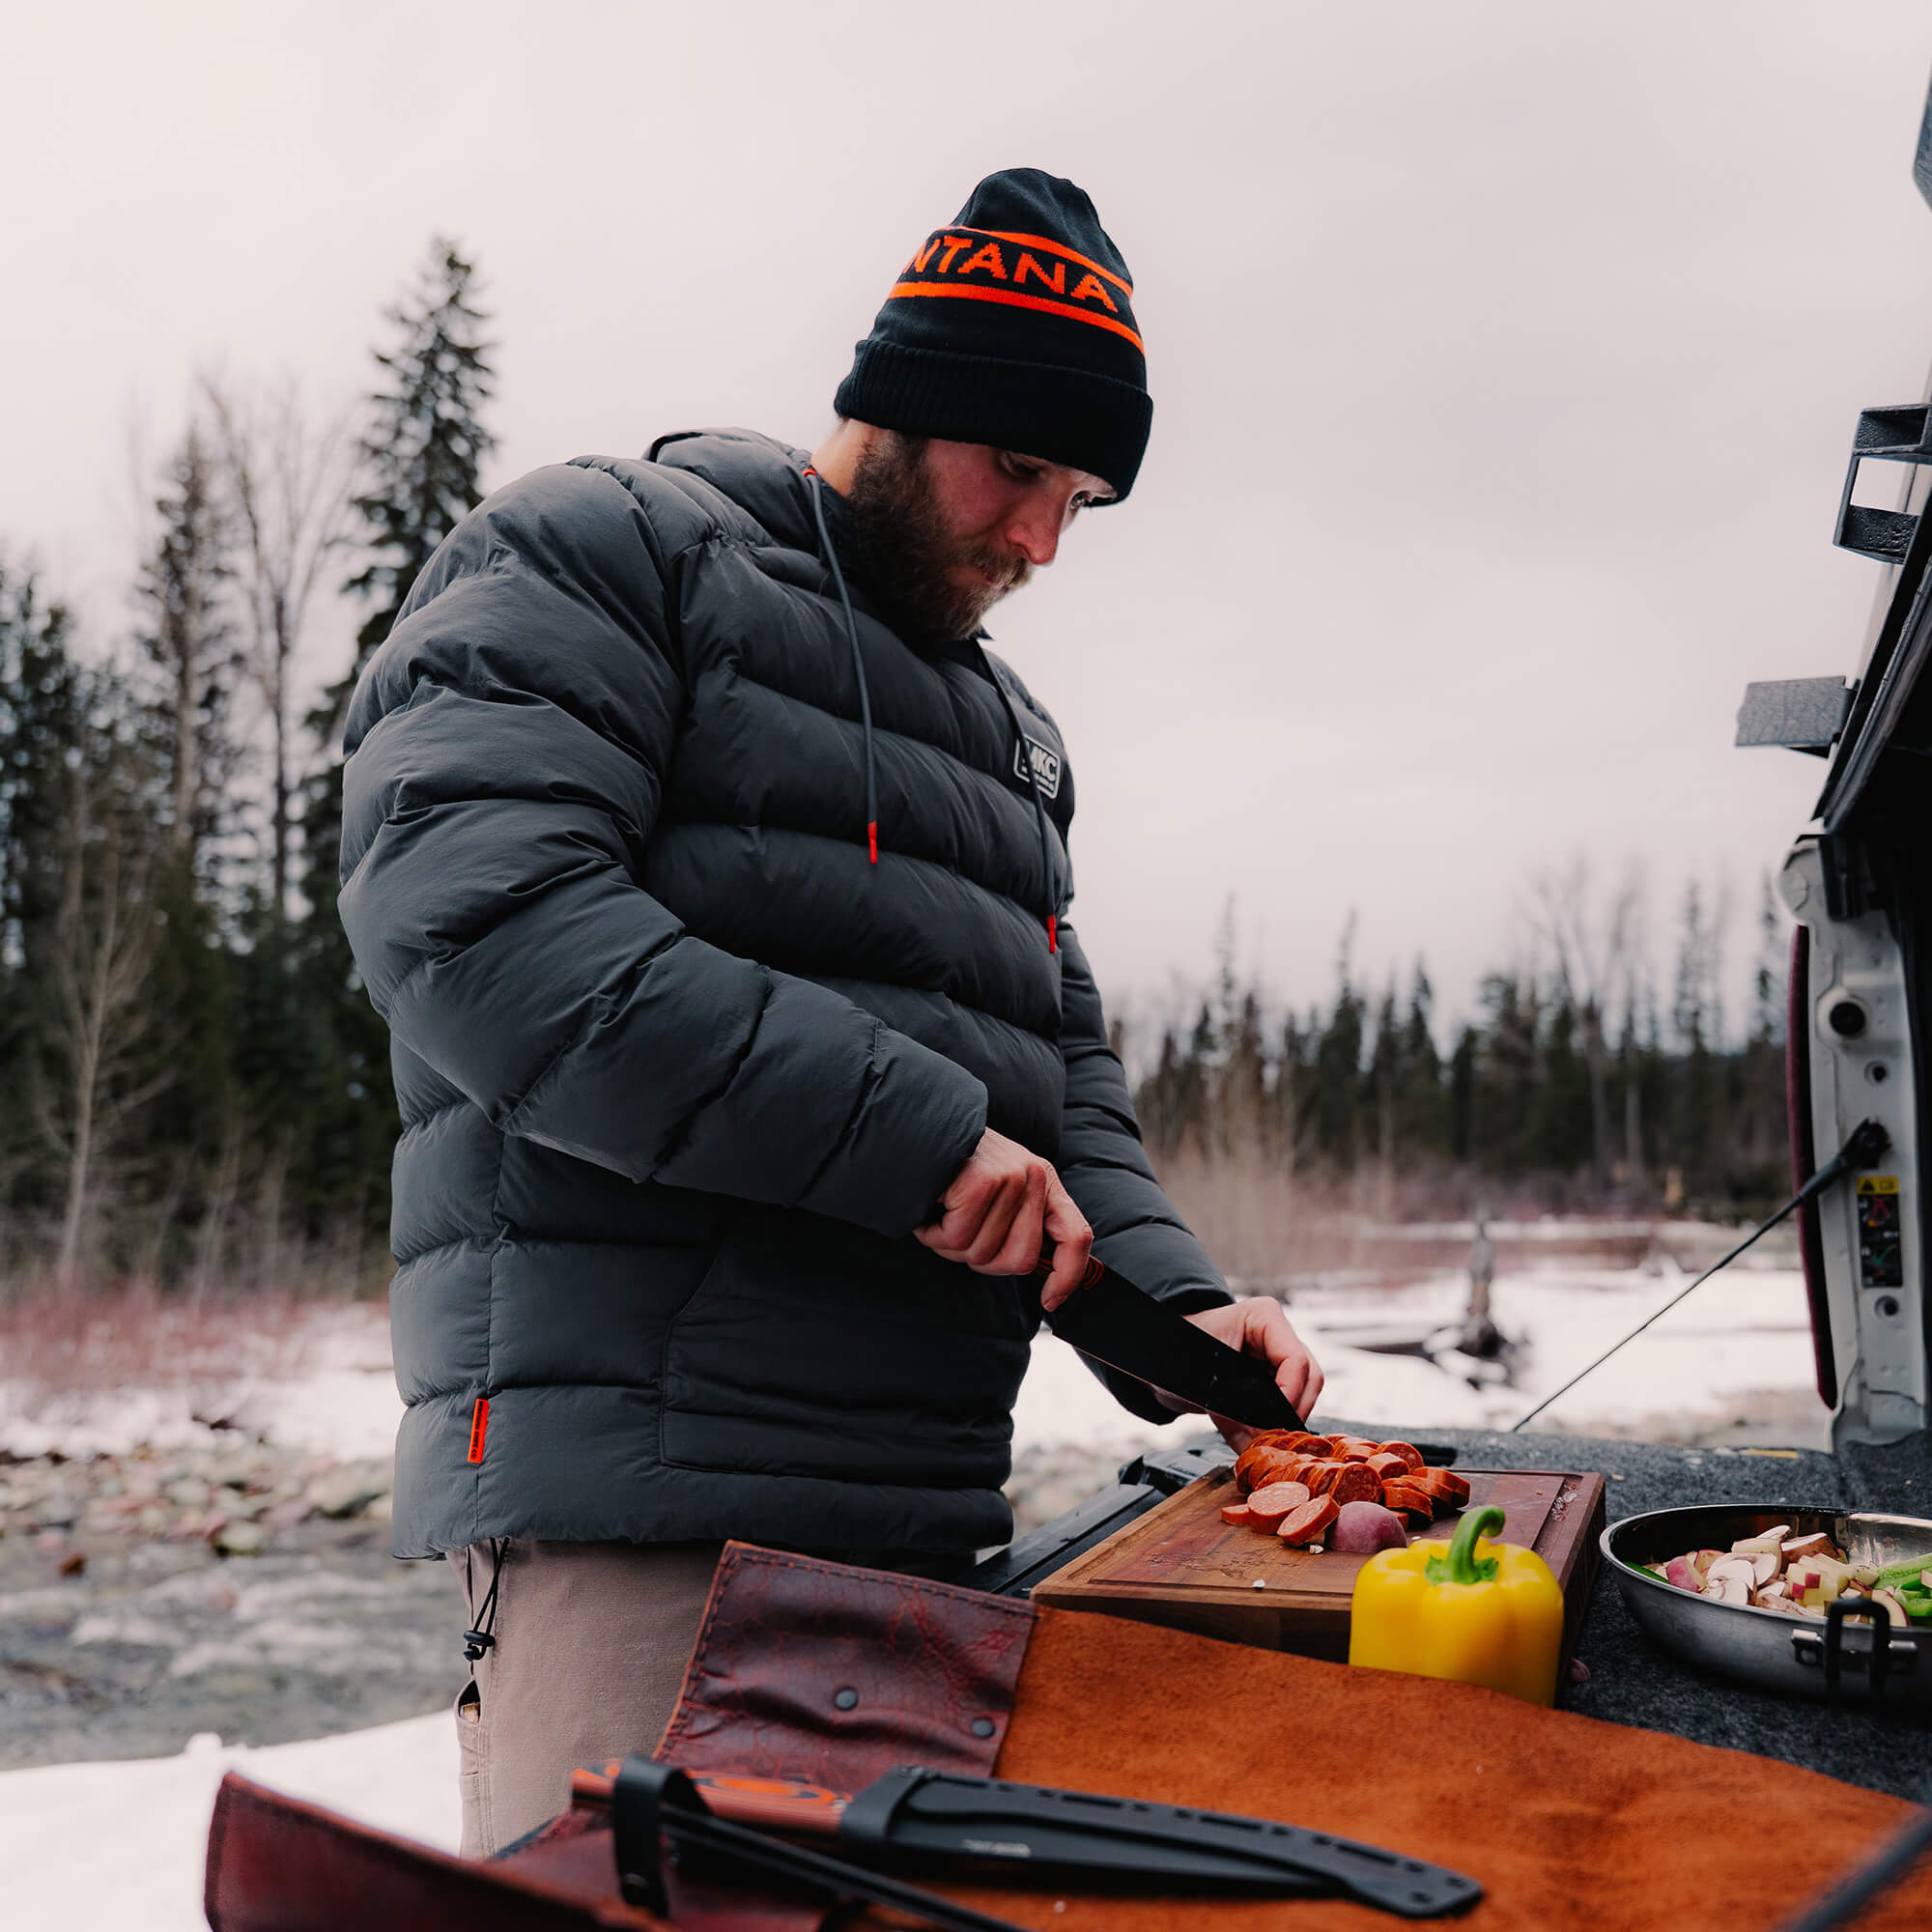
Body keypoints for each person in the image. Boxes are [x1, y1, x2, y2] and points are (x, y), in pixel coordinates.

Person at [336, 167, 1324, 1857]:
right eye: (1016, 469)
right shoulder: (608, 552)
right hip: (650, 1531)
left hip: (927, 1534)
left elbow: (1058, 1077)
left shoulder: (1011, 736)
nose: (1039, 542)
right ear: (891, 404)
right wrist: (917, 1138)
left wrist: (1183, 1310)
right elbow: (473, 920)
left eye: (1078, 497)